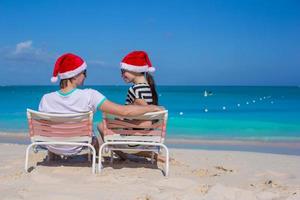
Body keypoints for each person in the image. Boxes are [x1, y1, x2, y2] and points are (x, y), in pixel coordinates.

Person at [38, 53, 161, 159]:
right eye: (84, 72)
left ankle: (53, 157)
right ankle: (96, 158)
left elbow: (44, 125)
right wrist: (153, 107)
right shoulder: (90, 95)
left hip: (53, 145)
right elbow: (123, 111)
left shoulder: (46, 98)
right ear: (75, 74)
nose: (86, 76)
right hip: (79, 145)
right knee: (96, 136)